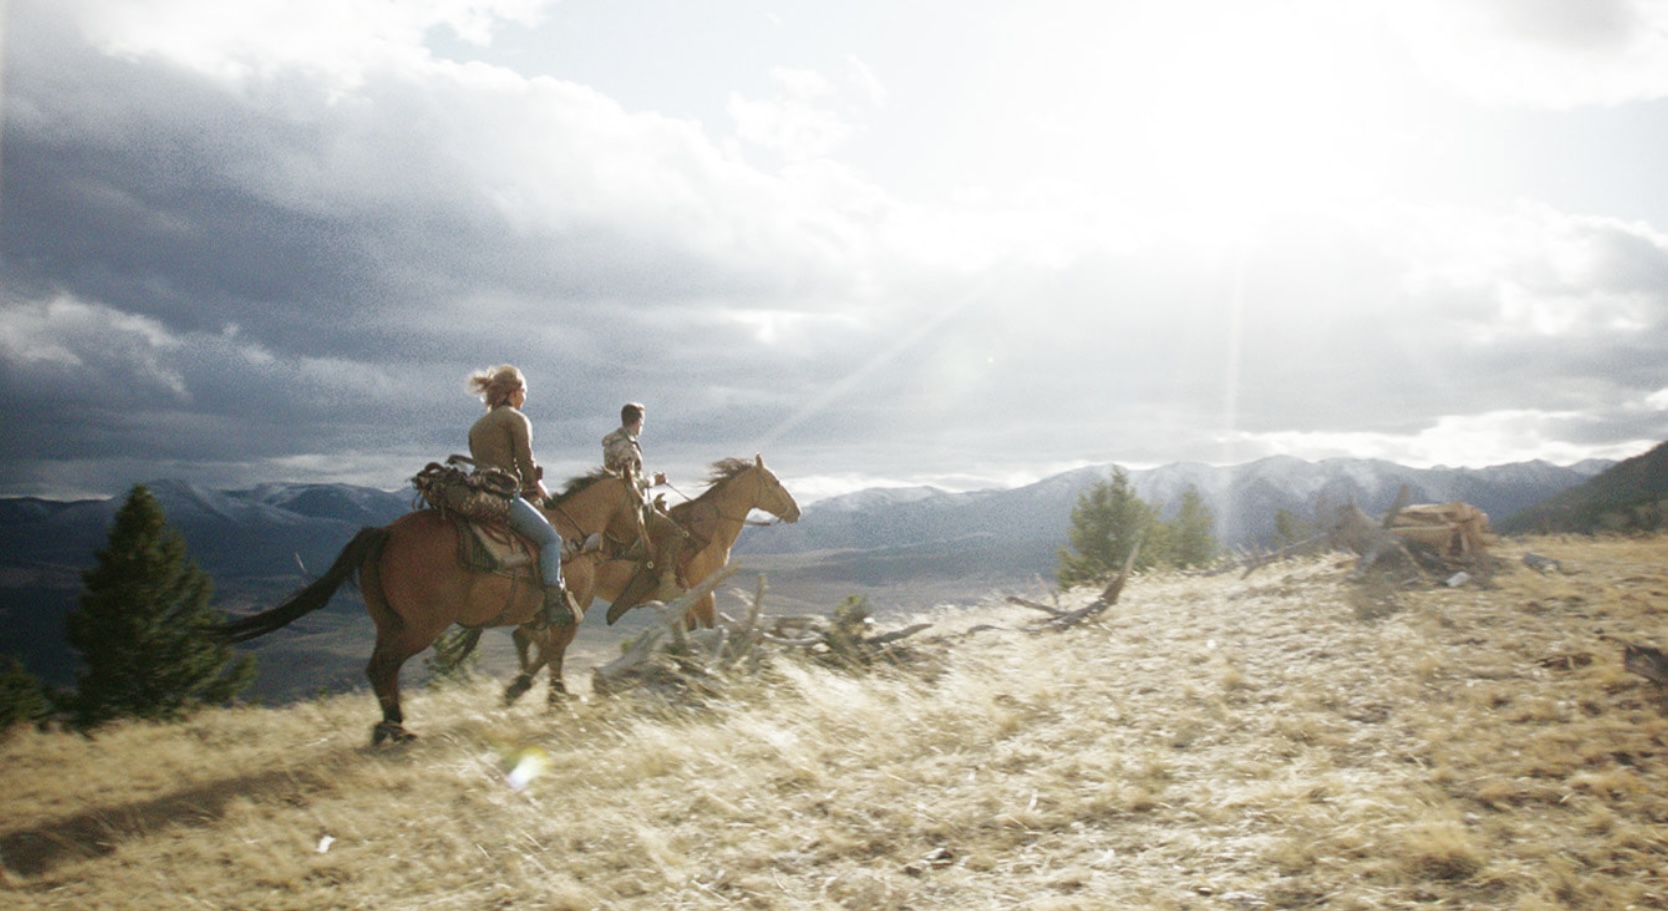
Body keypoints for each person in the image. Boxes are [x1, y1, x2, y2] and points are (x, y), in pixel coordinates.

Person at [466, 365, 577, 629]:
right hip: (505, 498)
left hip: (478, 497)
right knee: (551, 540)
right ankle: (553, 604)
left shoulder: (477, 427)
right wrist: (538, 486)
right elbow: (526, 463)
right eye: (524, 391)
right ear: (513, 392)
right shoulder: (516, 419)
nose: (525, 397)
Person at [600, 402, 685, 600]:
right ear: (637, 422)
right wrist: (654, 480)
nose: (641, 427)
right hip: (629, 508)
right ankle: (666, 583)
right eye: (642, 423)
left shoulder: (613, 442)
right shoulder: (627, 447)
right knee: (674, 532)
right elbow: (630, 483)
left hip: (617, 504)